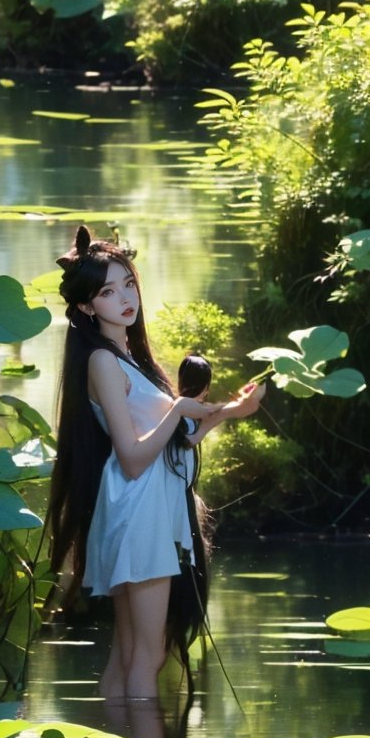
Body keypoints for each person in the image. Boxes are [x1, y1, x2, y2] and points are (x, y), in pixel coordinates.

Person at [46, 225, 264, 700]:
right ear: (86, 306)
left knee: (132, 653)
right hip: (137, 508)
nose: (125, 298)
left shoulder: (129, 357)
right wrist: (181, 410)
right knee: (146, 655)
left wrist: (230, 410)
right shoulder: (102, 361)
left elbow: (175, 441)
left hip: (145, 506)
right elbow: (133, 455)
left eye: (128, 284)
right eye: (108, 291)